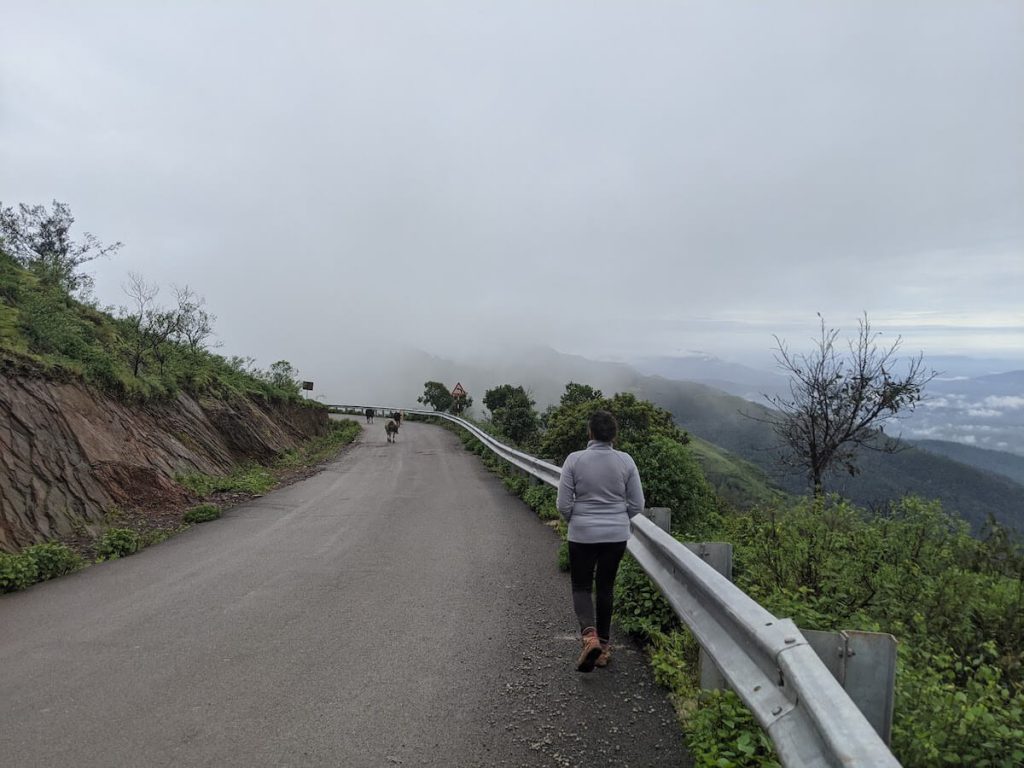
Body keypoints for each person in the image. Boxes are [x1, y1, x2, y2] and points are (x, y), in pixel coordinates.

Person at [556, 410, 644, 672]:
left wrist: (577, 518)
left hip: (582, 534)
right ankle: (603, 649)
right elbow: (637, 504)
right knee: (605, 587)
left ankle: (589, 637)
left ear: (590, 432)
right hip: (615, 536)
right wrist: (618, 518)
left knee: (582, 586)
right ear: (613, 435)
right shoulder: (626, 461)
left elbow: (563, 504)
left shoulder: (574, 460)